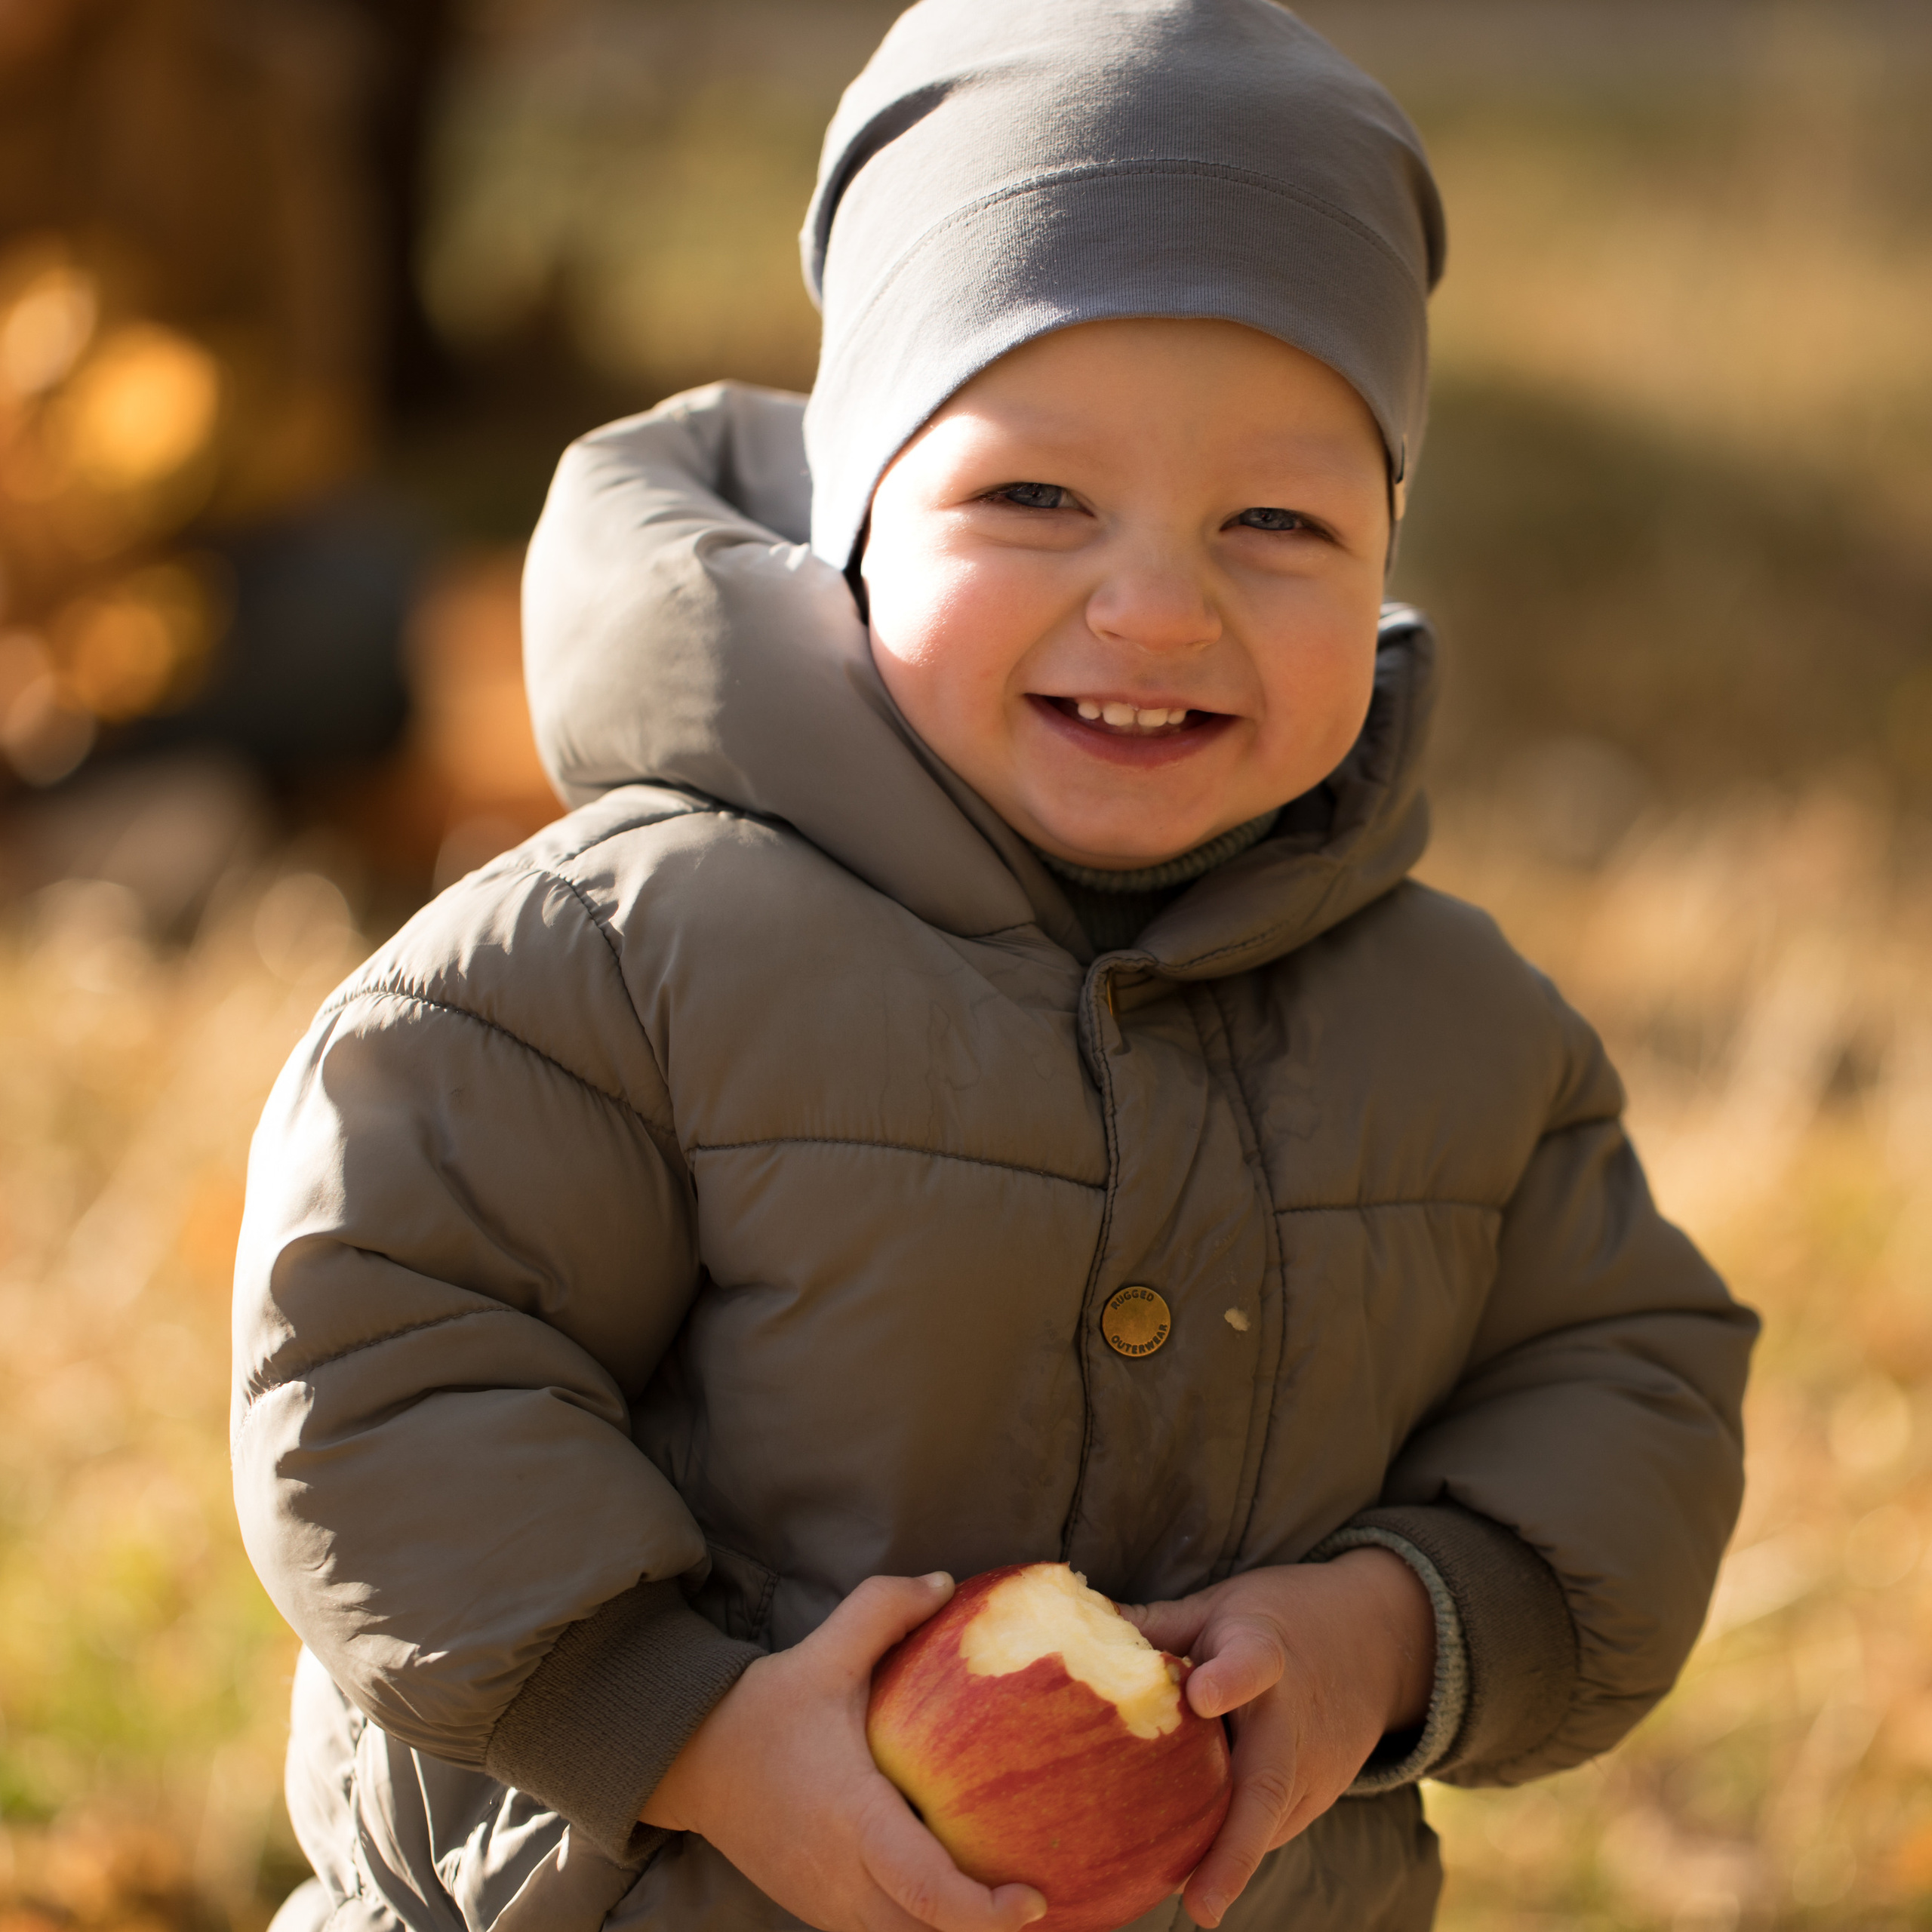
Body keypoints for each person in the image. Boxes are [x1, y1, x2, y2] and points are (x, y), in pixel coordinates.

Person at [231, 5, 1757, 1930]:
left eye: (1276, 522)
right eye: (1034, 496)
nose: (1151, 603)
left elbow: (1625, 1380)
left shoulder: (1459, 1034)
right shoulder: (620, 961)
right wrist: (686, 1731)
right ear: (857, 513)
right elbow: (385, 1369)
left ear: (1384, 559)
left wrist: (1394, 1626)